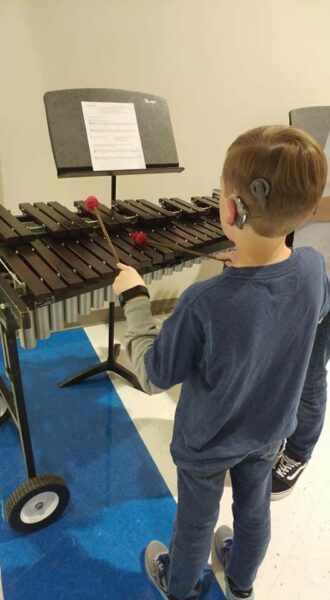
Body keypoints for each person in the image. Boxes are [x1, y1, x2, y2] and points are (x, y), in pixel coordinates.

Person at [113, 126, 329, 600]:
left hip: (206, 442)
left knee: (195, 523)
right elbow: (305, 313)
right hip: (270, 433)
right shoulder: (315, 269)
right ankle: (243, 582)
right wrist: (259, 271)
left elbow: (153, 375)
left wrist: (135, 301)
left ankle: (181, 586)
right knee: (254, 513)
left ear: (230, 210)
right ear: (311, 208)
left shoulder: (203, 302)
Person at [271, 130, 330, 499]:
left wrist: (291, 211)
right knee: (292, 360)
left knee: (309, 372)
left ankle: (297, 451)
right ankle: (282, 433)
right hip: (312, 260)